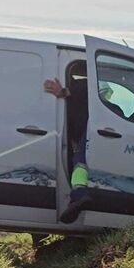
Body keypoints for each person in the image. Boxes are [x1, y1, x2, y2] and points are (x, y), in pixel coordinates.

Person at [44, 66, 92, 223]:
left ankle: (79, 195)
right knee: (77, 161)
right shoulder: (72, 100)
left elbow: (82, 88)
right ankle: (78, 197)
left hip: (90, 130)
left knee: (79, 162)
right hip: (79, 135)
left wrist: (62, 92)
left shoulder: (82, 85)